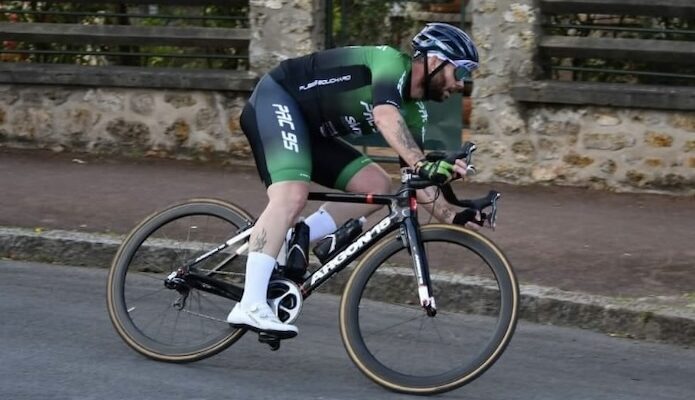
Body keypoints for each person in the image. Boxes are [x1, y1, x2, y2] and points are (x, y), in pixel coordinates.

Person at [226, 23, 480, 338]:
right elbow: (385, 117)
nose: (461, 85)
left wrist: (454, 215)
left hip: (310, 131)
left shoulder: (416, 111)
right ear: (434, 61)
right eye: (461, 72)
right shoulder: (390, 64)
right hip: (277, 98)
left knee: (377, 185)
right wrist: (422, 162)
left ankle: (294, 236)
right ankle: (250, 304)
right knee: (291, 196)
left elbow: (416, 177)